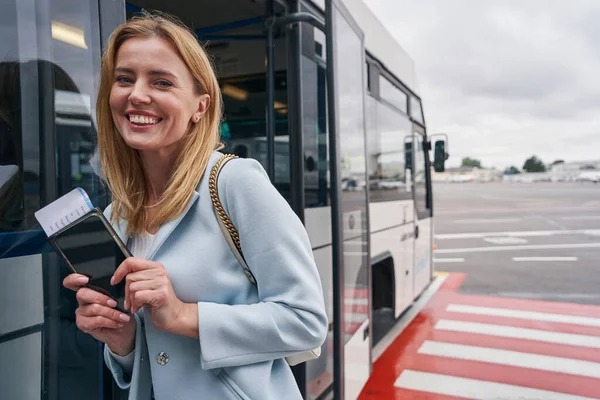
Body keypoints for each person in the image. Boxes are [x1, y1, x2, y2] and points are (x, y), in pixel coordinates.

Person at [62, 11, 328, 400]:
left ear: (200, 107)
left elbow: (306, 322)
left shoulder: (235, 183)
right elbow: (148, 357)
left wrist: (184, 315)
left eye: (162, 82)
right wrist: (121, 340)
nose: (137, 94)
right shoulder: (118, 214)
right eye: (124, 78)